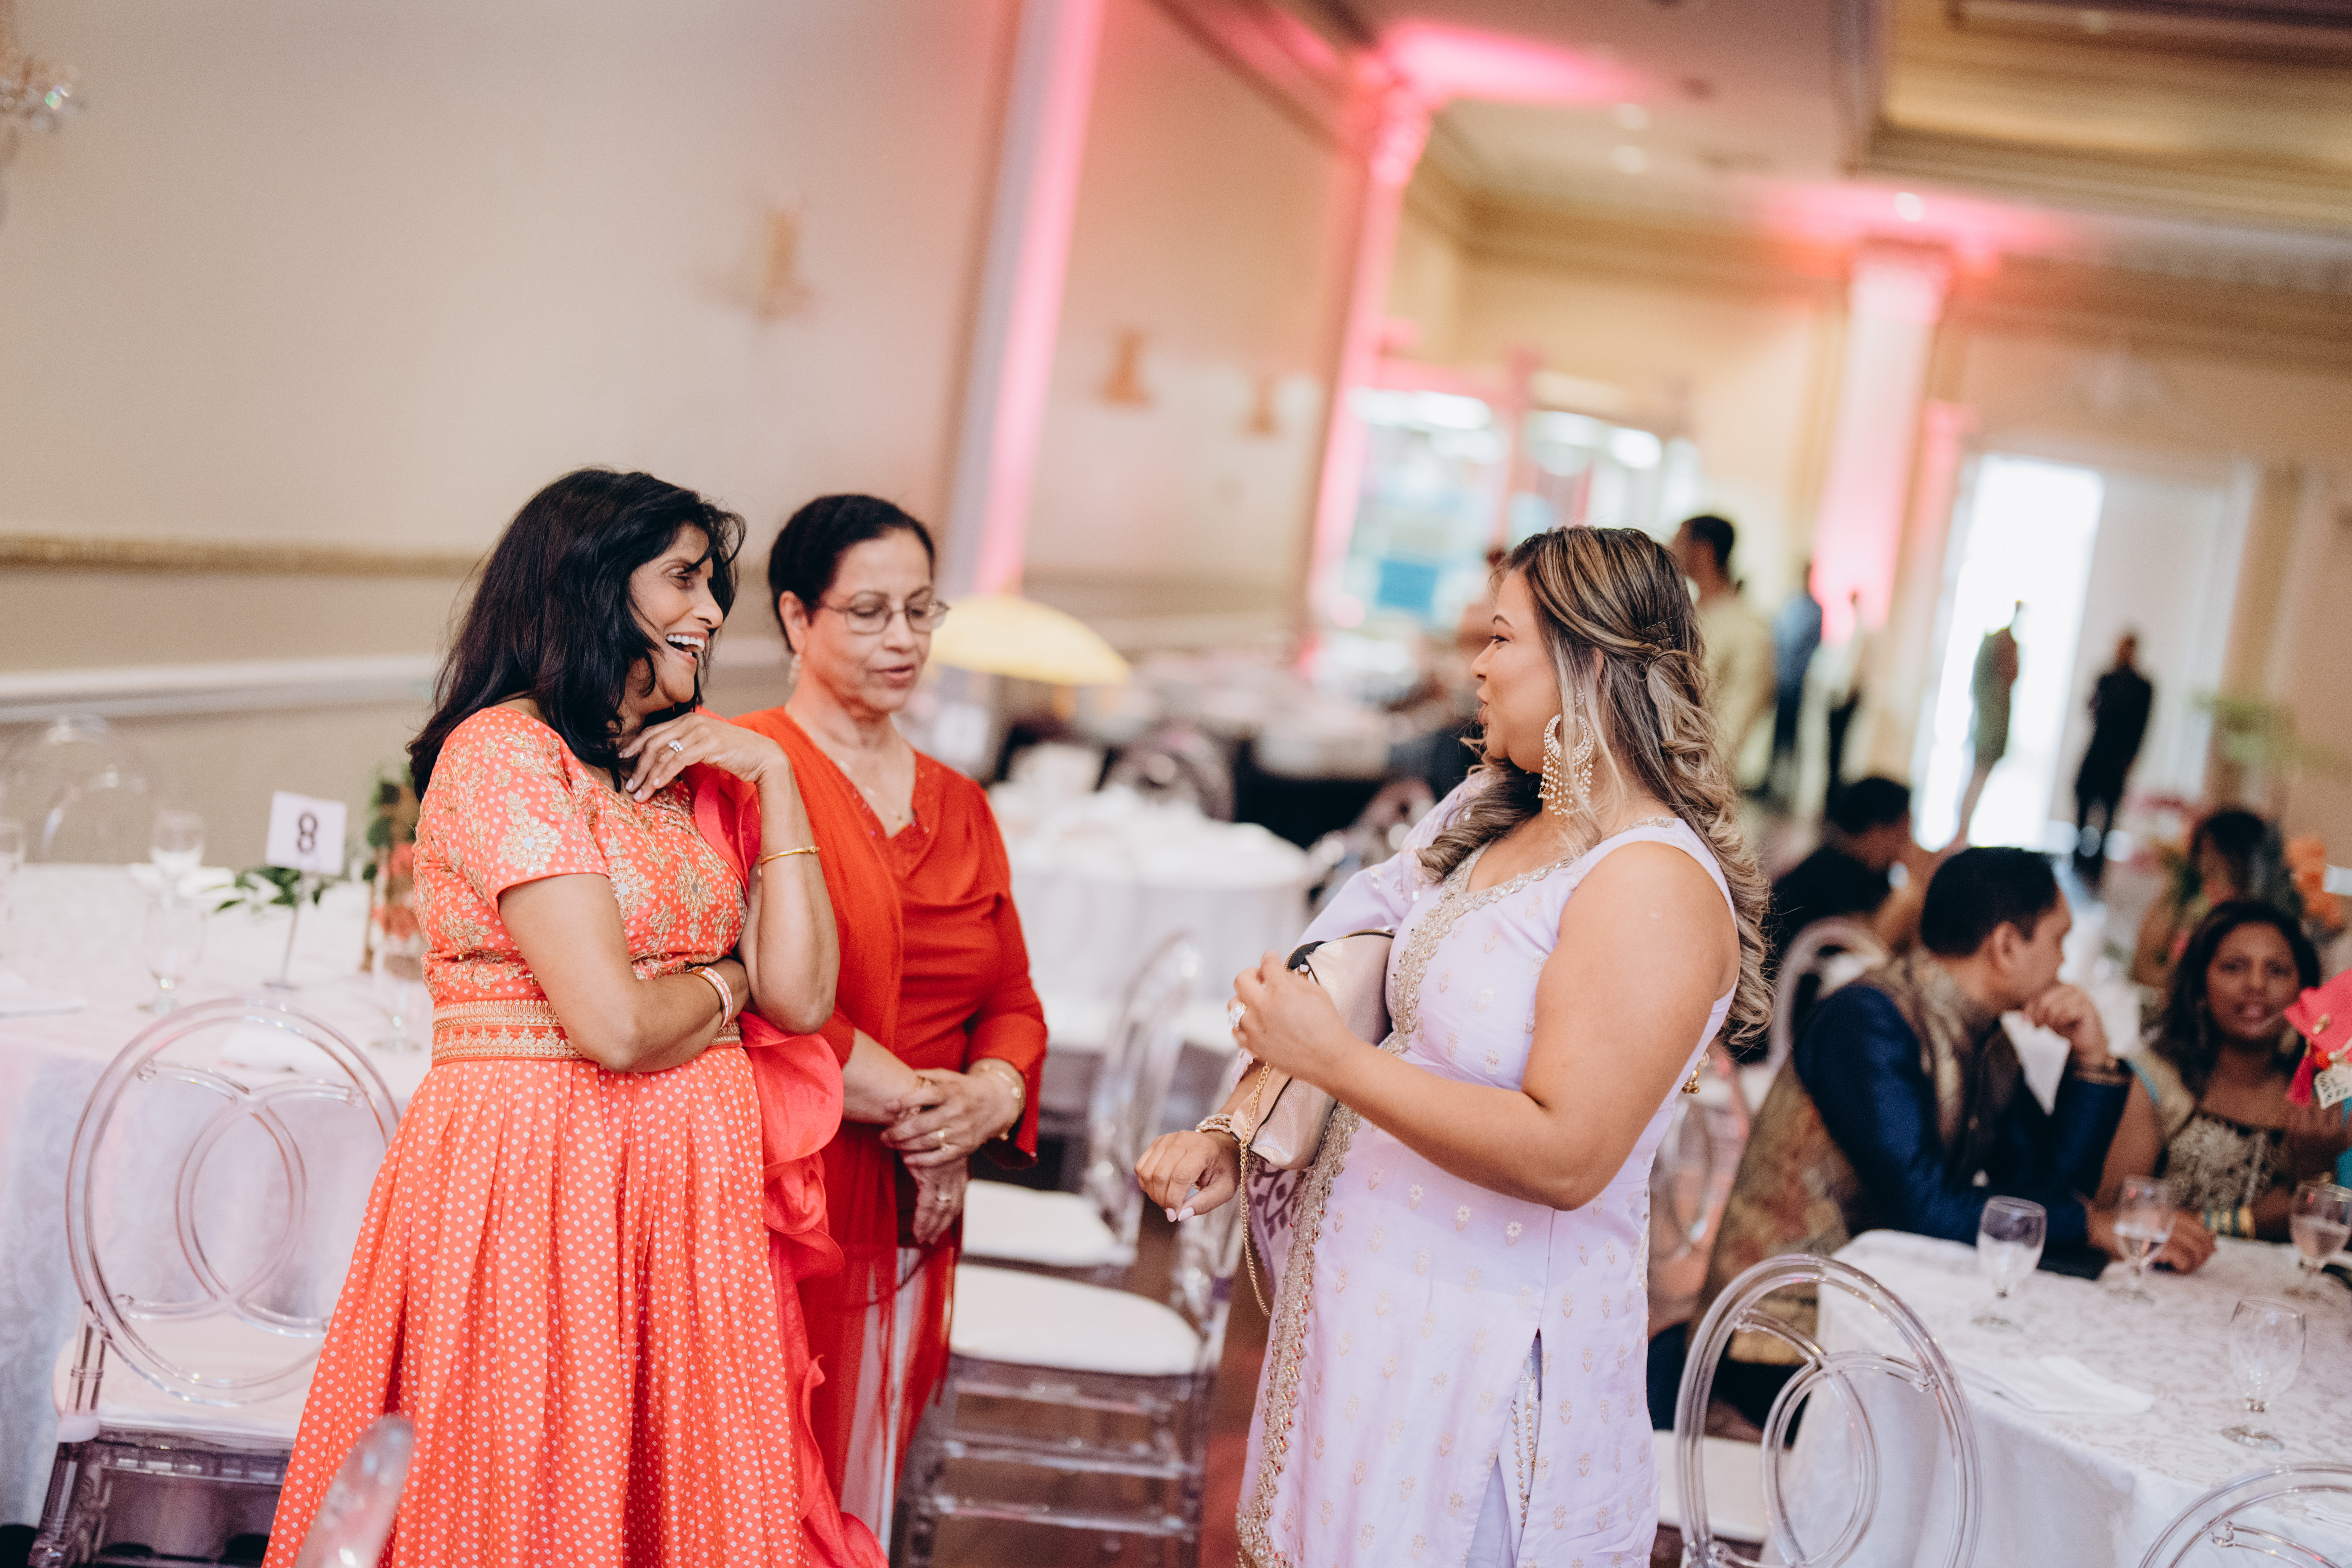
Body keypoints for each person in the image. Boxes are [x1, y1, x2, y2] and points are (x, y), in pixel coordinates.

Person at [264, 470, 879, 1567]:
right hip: (544, 1175)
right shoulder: (507, 754)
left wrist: (777, 777)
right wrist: (727, 984)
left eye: (713, 584)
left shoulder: (684, 762)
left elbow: (801, 994)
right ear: (591, 586)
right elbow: (618, 1026)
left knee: (664, 1499)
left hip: (683, 1191)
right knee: (534, 1493)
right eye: (682, 579)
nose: (709, 611)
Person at [1140, 525, 1772, 1568]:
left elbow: (1567, 1154)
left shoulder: (1649, 883)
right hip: (1366, 1331)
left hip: (1481, 1373)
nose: (1475, 666)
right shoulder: (1488, 811)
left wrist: (1338, 1067)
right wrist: (1237, 1128)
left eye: (1501, 638)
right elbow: (1348, 965)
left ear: (1588, 662)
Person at [727, 494, 1047, 1539]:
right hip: (794, 1189)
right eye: (868, 612)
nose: (902, 639)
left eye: (920, 609)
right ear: (795, 617)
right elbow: (753, 1004)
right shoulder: (743, 771)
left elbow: (1012, 1000)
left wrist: (990, 1095)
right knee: (767, 1489)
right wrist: (926, 1115)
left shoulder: (961, 801)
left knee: (868, 1474)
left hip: (917, 1200)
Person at [1688, 848, 2205, 1427]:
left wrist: (2092, 1061)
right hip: (1781, 1336)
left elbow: (2047, 1188)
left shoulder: (1990, 1042)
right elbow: (1923, 1205)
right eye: (2058, 939)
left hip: (1878, 1319)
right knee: (1984, 1427)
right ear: (2005, 945)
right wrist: (2089, 1224)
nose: (2063, 961)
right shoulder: (1867, 1018)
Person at [2101, 902, 2351, 1240]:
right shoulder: (2157, 1080)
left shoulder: (2327, 1098)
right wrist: (2245, 1221)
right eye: (2234, 967)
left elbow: (2336, 1239)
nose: (2257, 984)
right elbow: (2113, 1217)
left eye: (2277, 970)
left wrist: (2317, 1166)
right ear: (2200, 988)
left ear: (2303, 994)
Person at [1764, 774, 1930, 966]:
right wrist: (1914, 888)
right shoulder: (1828, 871)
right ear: (1876, 830)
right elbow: (1869, 952)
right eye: (1902, 833)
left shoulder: (1875, 877)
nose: (1908, 843)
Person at [1673, 513, 1774, 788]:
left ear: (1704, 551)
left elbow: (1734, 724)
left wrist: (1692, 781)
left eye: (1679, 541)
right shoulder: (1684, 614)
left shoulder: (1748, 630)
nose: (1670, 549)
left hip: (1695, 782)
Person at [2131, 807, 2280, 990]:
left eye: (2215, 856)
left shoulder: (2262, 920)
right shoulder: (2187, 904)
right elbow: (2146, 966)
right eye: (2202, 855)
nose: (2205, 865)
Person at [2072, 632, 2154, 886]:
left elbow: (2142, 726)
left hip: (2117, 757)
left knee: (2108, 814)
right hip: (2098, 750)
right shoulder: (2106, 678)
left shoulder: (2143, 687)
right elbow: (2092, 710)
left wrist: (2131, 759)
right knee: (2083, 801)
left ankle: (2095, 867)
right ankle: (2078, 859)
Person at [1954, 603, 2021, 846]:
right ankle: (1960, 834)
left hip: (1989, 728)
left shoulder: (1996, 646)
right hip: (1988, 731)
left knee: (1975, 782)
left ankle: (1961, 833)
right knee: (1975, 782)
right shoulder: (1998, 645)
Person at [1769, 562, 1823, 802]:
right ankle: (1771, 780)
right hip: (1781, 679)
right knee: (1776, 734)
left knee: (1792, 736)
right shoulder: (1790, 604)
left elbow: (1811, 646)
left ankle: (1787, 787)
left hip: (1798, 683)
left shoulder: (1816, 610)